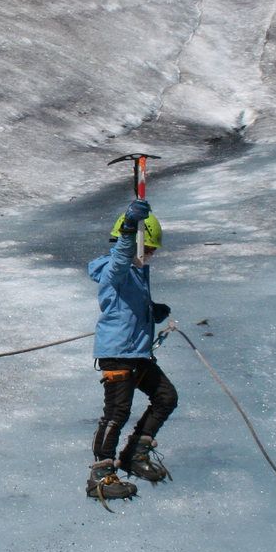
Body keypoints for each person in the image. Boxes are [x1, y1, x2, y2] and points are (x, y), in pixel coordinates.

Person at [86, 198, 175, 502]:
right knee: (117, 412)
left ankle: (135, 453)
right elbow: (120, 260)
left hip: (138, 352)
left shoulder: (137, 274)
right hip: (118, 352)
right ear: (137, 244)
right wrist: (129, 228)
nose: (150, 256)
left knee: (166, 397)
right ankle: (100, 473)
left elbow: (128, 303)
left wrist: (151, 311)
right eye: (148, 249)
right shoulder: (118, 267)